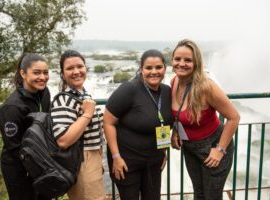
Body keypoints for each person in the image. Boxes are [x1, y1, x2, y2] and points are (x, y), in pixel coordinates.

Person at [170, 39, 240, 200]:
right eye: (177, 59)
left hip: (213, 147)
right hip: (190, 149)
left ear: (196, 63)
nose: (181, 63)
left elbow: (234, 117)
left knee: (212, 196)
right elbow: (178, 114)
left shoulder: (206, 87)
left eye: (188, 60)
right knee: (199, 193)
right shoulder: (173, 82)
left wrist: (220, 150)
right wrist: (175, 132)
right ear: (172, 60)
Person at [103, 49, 173, 200]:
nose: (154, 72)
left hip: (154, 162)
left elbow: (164, 123)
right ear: (141, 69)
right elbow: (108, 122)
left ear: (165, 68)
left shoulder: (167, 92)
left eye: (158, 67)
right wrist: (116, 157)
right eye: (148, 68)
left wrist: (163, 151)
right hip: (127, 163)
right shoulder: (129, 89)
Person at [50, 50, 106, 200]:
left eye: (80, 66)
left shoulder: (83, 94)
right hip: (81, 162)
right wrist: (87, 114)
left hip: (91, 159)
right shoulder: (63, 100)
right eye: (69, 68)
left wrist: (98, 160)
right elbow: (63, 140)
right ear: (62, 73)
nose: (76, 72)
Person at [0, 53, 51, 200]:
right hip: (18, 168)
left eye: (45, 72)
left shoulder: (45, 93)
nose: (42, 77)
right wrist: (38, 165)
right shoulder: (12, 107)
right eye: (36, 72)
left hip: (42, 163)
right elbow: (14, 147)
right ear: (23, 73)